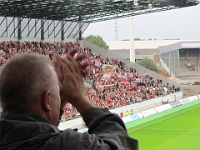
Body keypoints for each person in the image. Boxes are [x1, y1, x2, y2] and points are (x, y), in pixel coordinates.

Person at [0, 50, 138, 150]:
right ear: (47, 100)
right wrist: (78, 98)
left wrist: (59, 99)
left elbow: (37, 132)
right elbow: (122, 145)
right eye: (58, 93)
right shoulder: (67, 144)